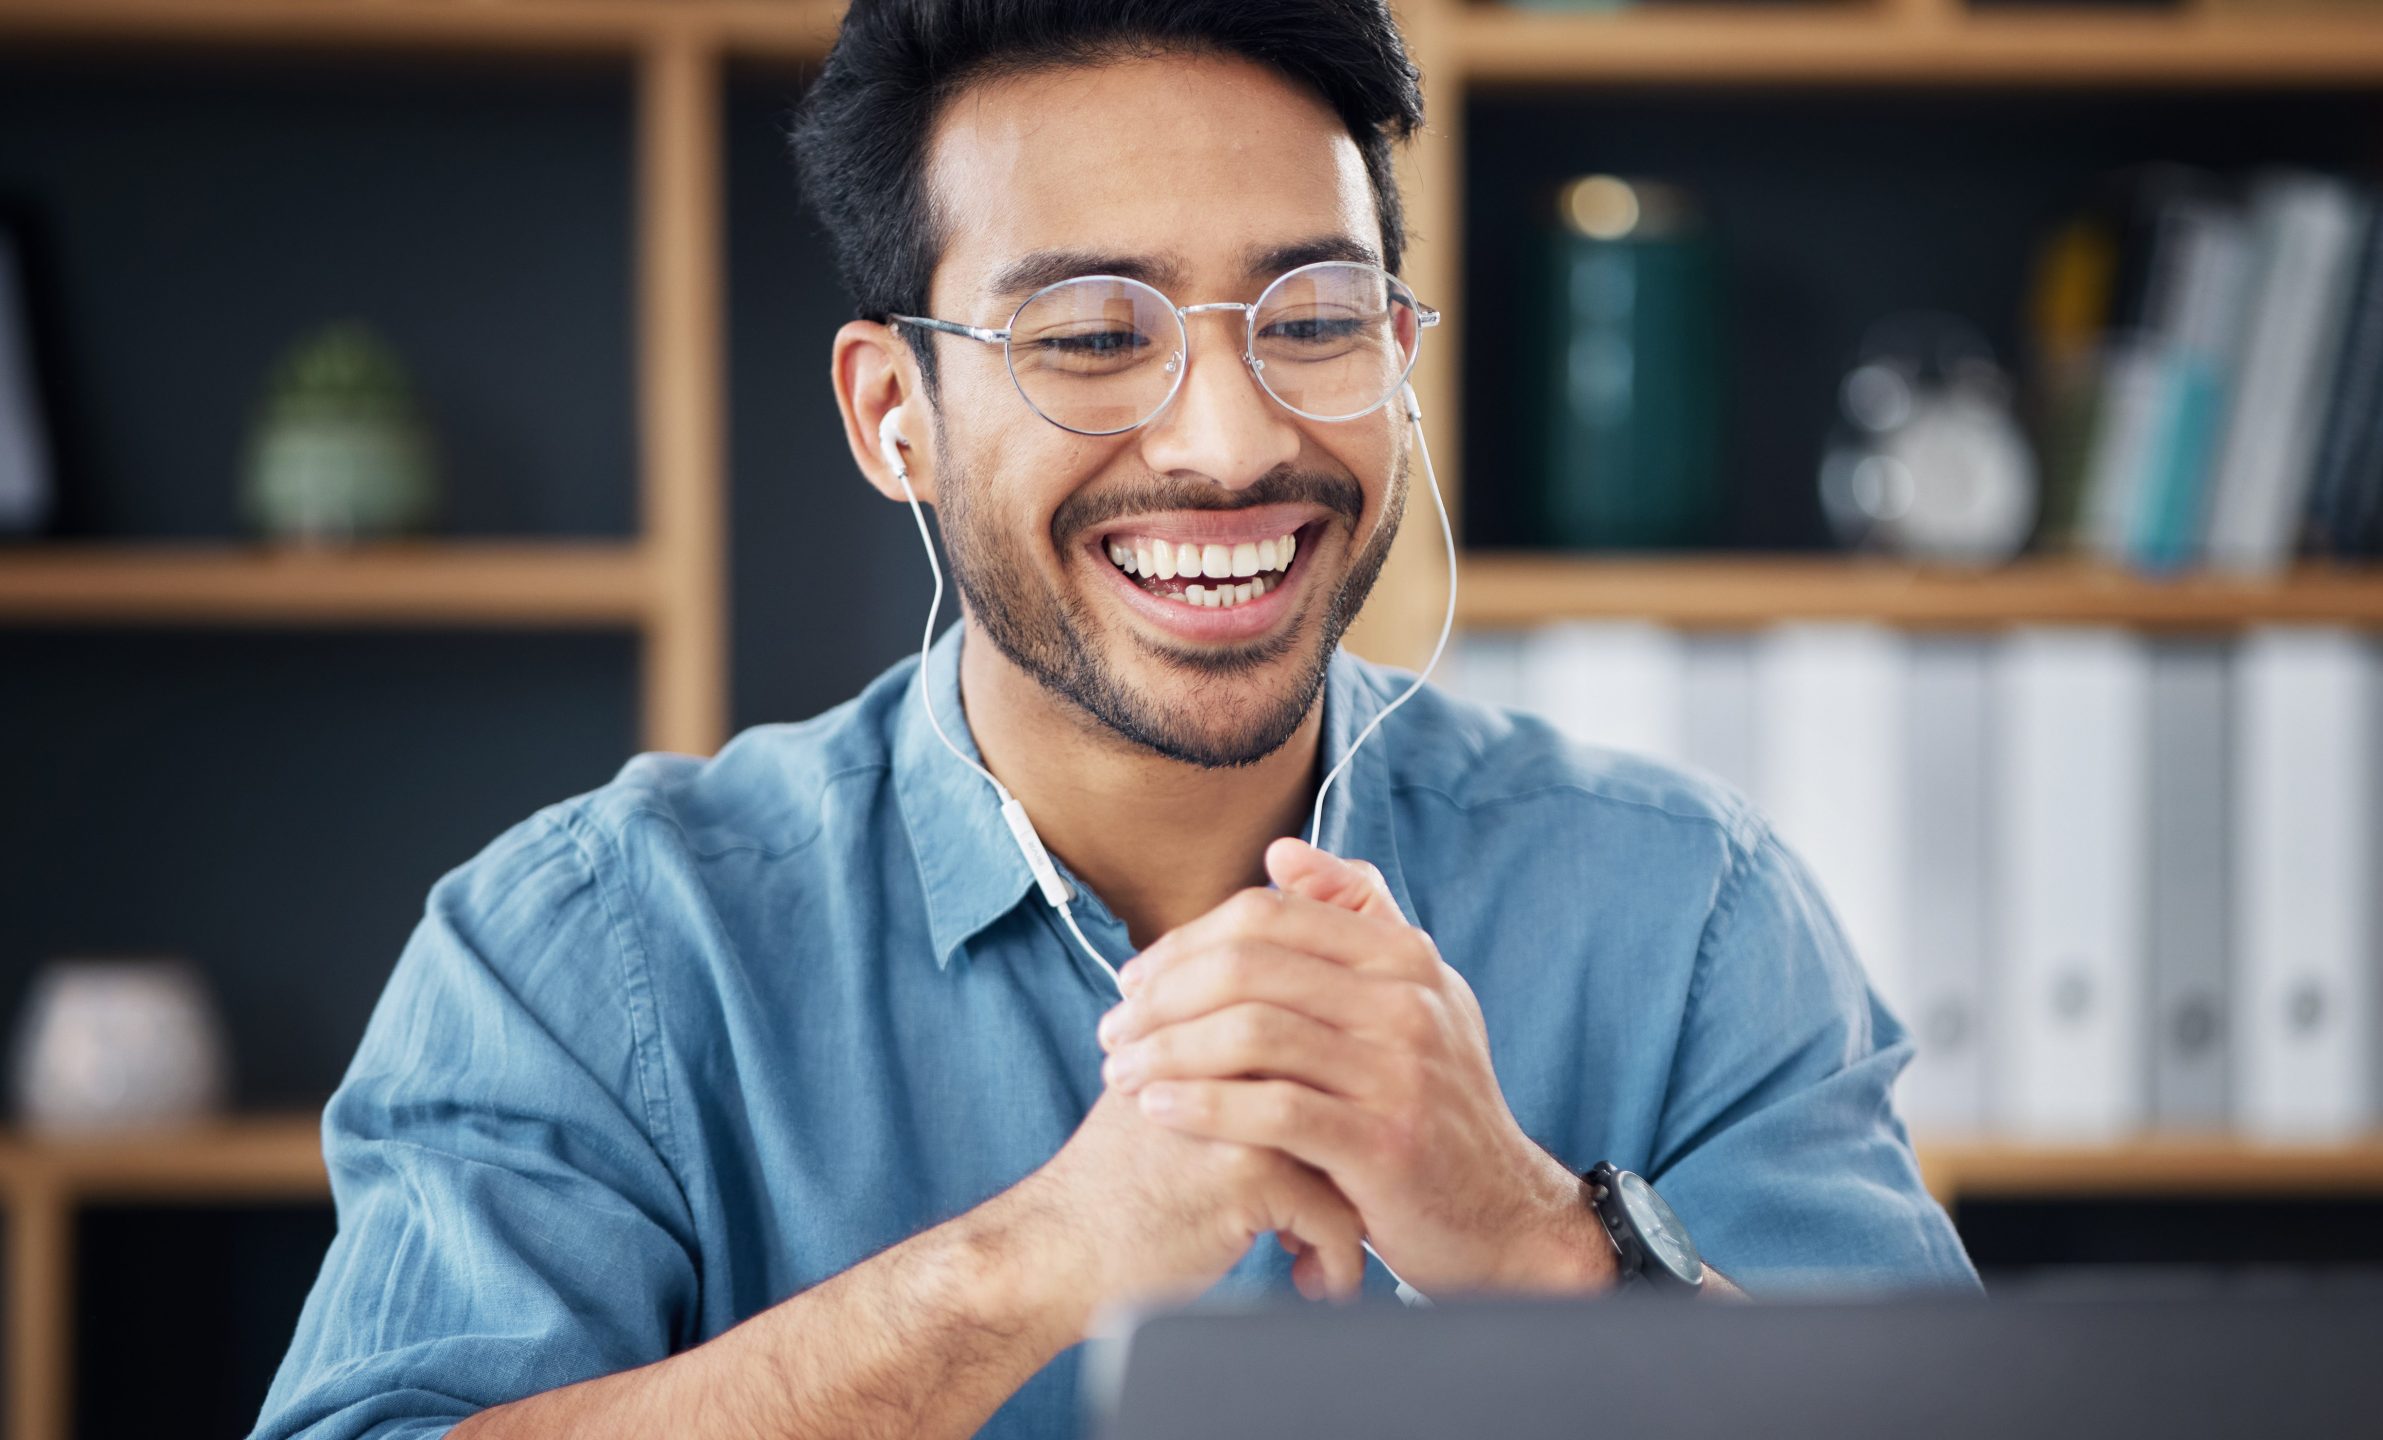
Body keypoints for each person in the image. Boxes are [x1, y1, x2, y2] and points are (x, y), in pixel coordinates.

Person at [253, 1, 1976, 1435]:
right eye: (1090, 334)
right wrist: (1027, 1268)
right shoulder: (588, 951)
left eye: (1309, 318)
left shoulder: (1688, 914)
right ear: (892, 415)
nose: (1226, 441)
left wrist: (1539, 1244)